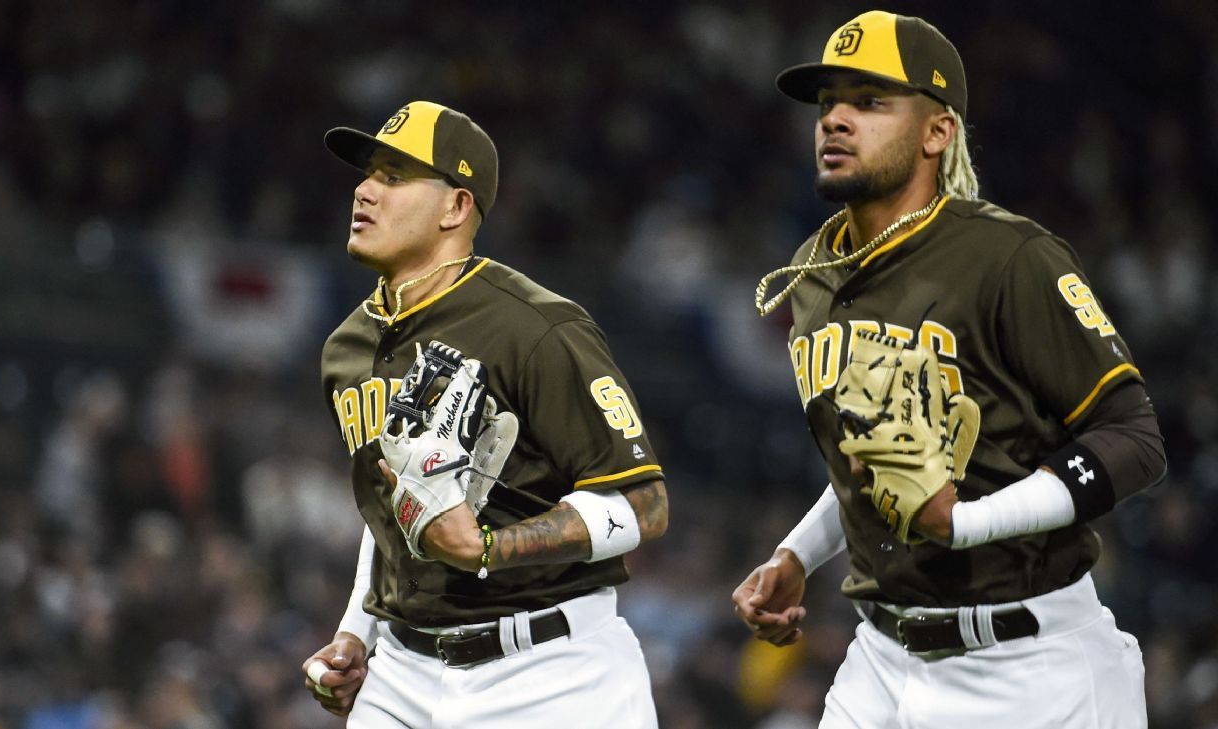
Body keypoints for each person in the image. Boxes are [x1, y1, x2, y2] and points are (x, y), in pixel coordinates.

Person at [732, 11, 1165, 728]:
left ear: (938, 131)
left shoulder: (1010, 258)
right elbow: (876, 462)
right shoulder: (812, 271)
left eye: (869, 101)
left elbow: (1136, 439)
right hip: (879, 656)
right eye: (828, 102)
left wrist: (965, 522)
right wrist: (798, 553)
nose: (836, 119)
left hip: (1029, 668)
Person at [302, 100, 667, 728]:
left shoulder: (539, 327)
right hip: (400, 674)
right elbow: (395, 507)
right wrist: (355, 633)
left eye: (394, 177)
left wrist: (488, 547)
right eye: (367, 175)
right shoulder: (348, 347)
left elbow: (645, 506)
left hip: (553, 672)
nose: (364, 190)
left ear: (456, 206)